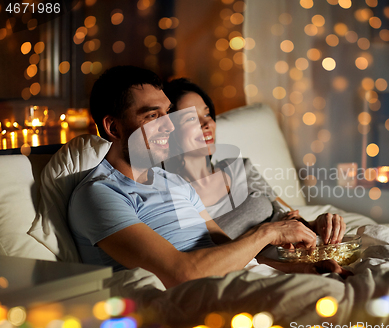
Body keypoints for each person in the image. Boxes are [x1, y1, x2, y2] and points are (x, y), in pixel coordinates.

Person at [67, 66, 348, 289]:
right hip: (187, 301)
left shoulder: (171, 181)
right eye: (153, 116)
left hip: (235, 281)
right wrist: (268, 232)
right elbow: (182, 273)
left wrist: (303, 269)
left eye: (169, 114)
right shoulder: (100, 194)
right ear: (113, 127)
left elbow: (232, 251)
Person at [162, 78, 346, 244]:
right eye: (191, 118)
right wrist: (268, 233)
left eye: (207, 114)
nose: (207, 124)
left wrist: (320, 223)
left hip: (294, 253)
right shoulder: (173, 194)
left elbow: (289, 216)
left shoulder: (239, 166)